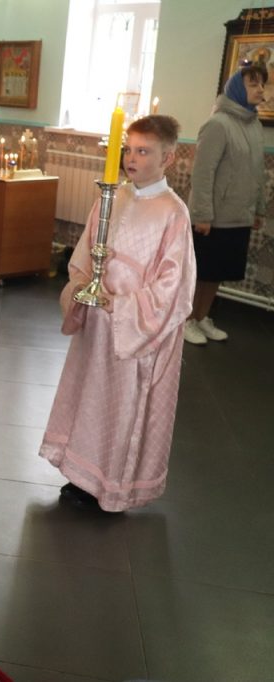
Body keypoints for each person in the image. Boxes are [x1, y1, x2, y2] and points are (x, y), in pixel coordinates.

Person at [39, 115, 196, 512]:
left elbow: (173, 288)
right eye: (128, 149)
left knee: (120, 406)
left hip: (135, 331)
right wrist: (84, 287)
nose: (131, 159)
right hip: (98, 326)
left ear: (168, 158)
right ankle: (80, 473)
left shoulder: (173, 213)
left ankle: (109, 484)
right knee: (89, 396)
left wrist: (120, 305)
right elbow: (85, 252)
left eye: (143, 151)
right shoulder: (113, 197)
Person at [185, 64, 268, 345]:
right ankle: (186, 321)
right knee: (201, 272)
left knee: (217, 274)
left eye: (262, 84)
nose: (260, 89)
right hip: (213, 218)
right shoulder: (217, 124)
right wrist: (202, 215)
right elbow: (202, 173)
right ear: (237, 89)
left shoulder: (254, 125)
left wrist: (258, 208)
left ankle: (201, 318)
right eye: (253, 84)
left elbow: (257, 172)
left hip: (238, 216)